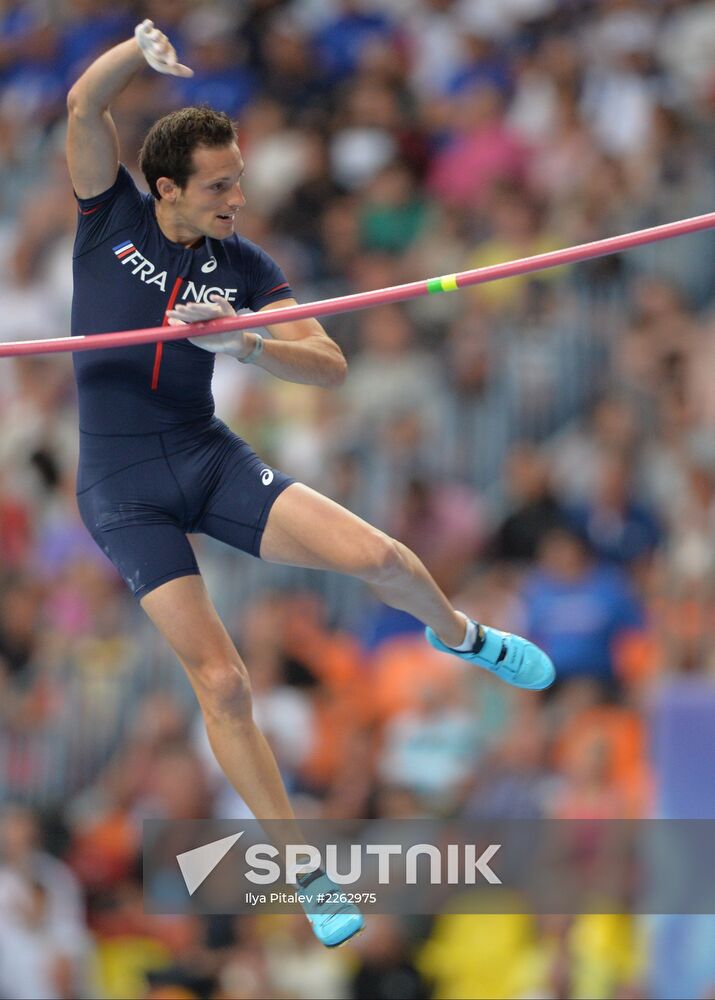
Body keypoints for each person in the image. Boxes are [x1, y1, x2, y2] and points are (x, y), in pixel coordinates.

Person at [65, 19, 555, 948]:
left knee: (378, 554)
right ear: (165, 187)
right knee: (226, 683)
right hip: (123, 491)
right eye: (219, 185)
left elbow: (326, 363)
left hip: (206, 455)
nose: (238, 197)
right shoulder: (109, 217)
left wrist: (241, 340)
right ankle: (303, 868)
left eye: (241, 178)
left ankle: (463, 636)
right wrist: (137, 52)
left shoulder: (242, 264)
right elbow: (84, 105)